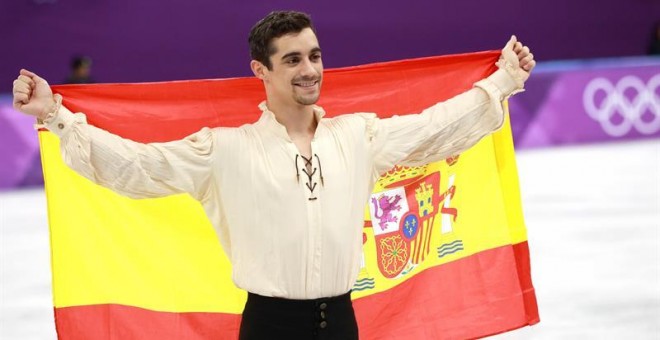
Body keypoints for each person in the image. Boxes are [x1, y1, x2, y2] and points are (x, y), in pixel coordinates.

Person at [12, 10, 535, 340]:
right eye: (291, 60)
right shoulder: (225, 151)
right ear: (260, 70)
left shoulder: (359, 137)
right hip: (268, 328)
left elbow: (434, 128)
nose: (309, 69)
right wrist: (55, 116)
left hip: (343, 324)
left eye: (314, 55)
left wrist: (503, 82)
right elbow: (140, 166)